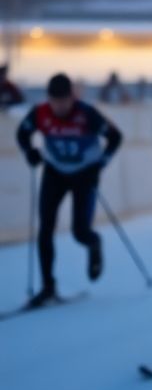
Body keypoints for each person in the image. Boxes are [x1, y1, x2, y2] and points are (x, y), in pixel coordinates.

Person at [16, 72, 123, 307]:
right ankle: (47, 287)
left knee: (79, 231)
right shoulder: (40, 112)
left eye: (64, 100)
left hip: (84, 174)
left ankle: (94, 243)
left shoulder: (86, 113)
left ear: (72, 97)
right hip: (55, 171)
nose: (60, 106)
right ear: (49, 98)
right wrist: (30, 152)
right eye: (55, 100)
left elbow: (115, 137)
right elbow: (22, 133)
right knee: (45, 228)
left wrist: (100, 165)